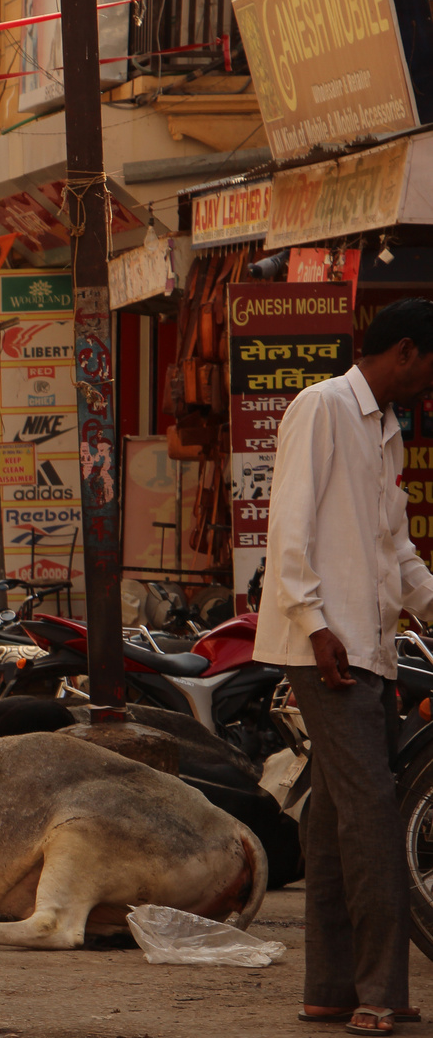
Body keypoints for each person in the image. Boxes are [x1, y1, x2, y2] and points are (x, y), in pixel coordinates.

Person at [255, 298, 433, 1036]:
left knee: (333, 819)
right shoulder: (321, 406)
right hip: (325, 646)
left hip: (367, 646)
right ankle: (381, 994)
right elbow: (287, 525)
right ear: (407, 353)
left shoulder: (385, 431)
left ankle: (329, 988)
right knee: (371, 817)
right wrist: (316, 623)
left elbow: (395, 547)